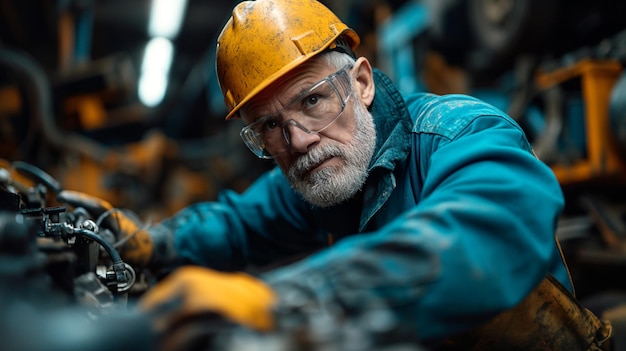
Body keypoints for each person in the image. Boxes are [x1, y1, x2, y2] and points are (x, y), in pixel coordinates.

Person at [58, 0, 611, 349]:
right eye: (270, 127)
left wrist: (286, 302)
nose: (297, 140)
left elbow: (481, 239)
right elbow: (237, 223)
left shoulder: (458, 132)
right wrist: (152, 240)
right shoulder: (320, 176)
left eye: (314, 100)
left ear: (363, 83)